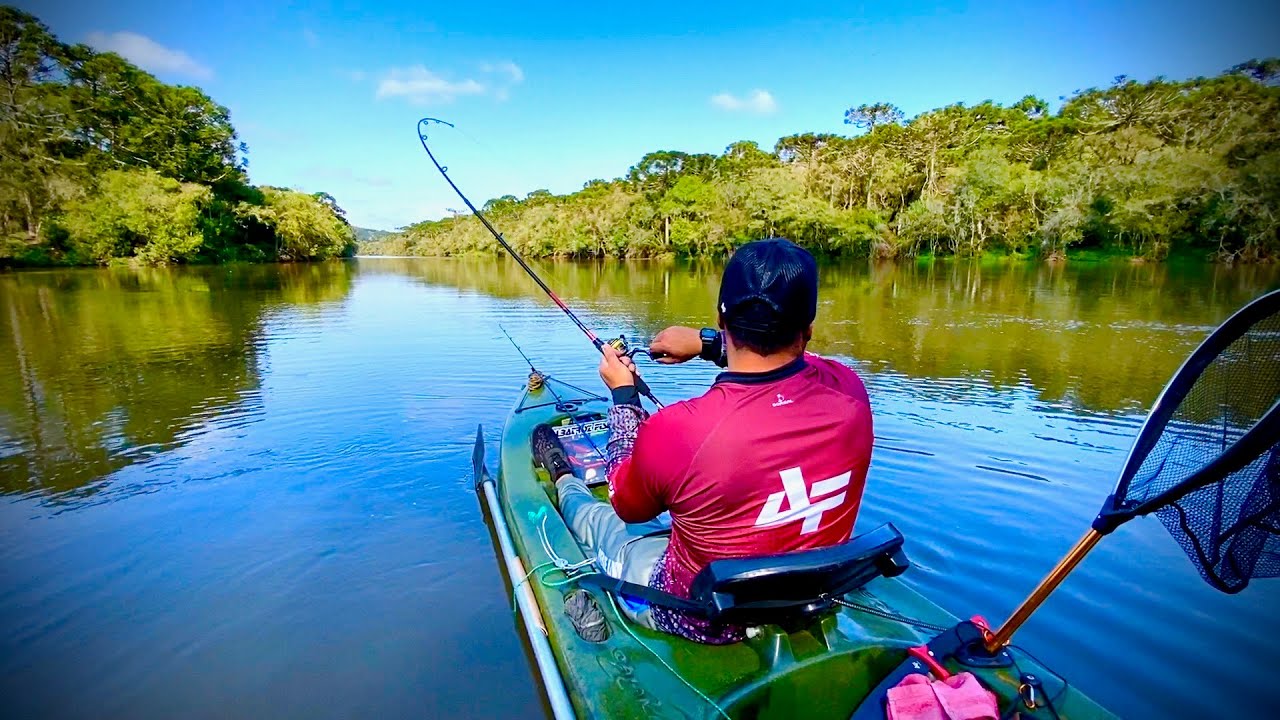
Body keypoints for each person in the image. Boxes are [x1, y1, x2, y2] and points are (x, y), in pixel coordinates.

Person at [531, 238, 874, 644]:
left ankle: (564, 481)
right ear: (808, 329)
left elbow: (626, 501)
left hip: (699, 615)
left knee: (604, 521)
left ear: (722, 317)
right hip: (810, 593)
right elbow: (801, 362)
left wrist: (624, 397)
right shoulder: (850, 390)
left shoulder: (680, 429)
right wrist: (707, 343)